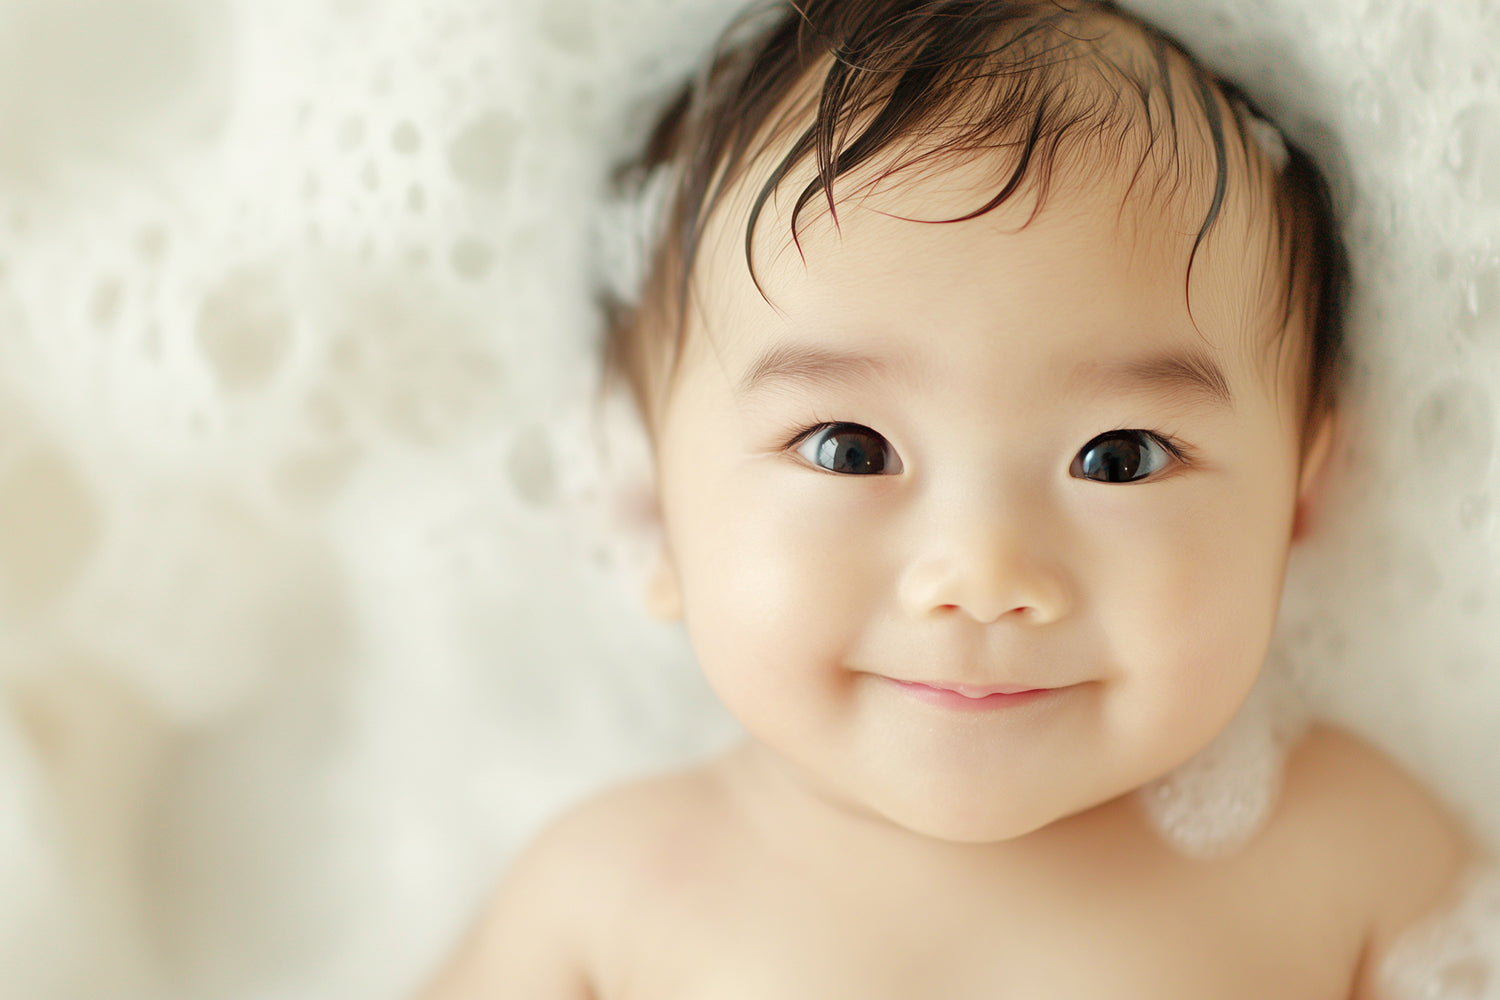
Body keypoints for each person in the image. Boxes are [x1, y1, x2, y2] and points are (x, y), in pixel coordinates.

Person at [422, 1, 1472, 995]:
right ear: (650, 504)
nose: (984, 573)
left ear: (1301, 496)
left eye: (1119, 456)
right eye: (848, 448)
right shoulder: (606, 899)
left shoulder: (1352, 853)